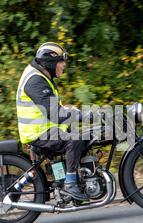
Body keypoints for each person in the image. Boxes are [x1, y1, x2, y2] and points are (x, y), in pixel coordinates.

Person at [16, 42, 89, 201]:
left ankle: (72, 178)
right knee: (74, 139)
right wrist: (84, 115)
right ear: (50, 63)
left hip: (46, 129)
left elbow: (55, 108)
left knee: (86, 136)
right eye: (61, 61)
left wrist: (76, 112)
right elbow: (55, 113)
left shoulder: (42, 77)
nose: (63, 65)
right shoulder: (35, 81)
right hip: (38, 132)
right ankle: (70, 184)